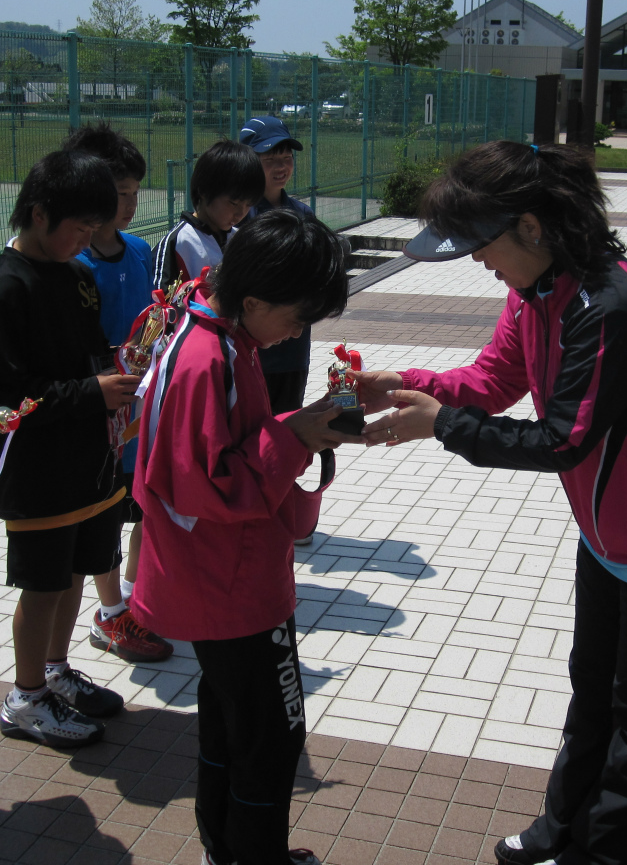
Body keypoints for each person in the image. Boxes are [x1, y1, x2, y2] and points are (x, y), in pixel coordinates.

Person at [356, 141, 627, 865]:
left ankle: (603, 853)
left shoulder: (610, 306)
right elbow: (494, 380)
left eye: (481, 243)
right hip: (609, 530)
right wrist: (405, 384)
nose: (477, 260)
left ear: (532, 226)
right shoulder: (538, 289)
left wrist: (440, 426)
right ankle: (562, 828)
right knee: (591, 687)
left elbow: (562, 440)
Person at [130, 208, 354, 865]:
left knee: (231, 719)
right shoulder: (210, 358)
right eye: (297, 317)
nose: (299, 332)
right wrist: (295, 436)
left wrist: (297, 426)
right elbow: (210, 486)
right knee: (272, 732)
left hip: (218, 575)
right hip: (233, 582)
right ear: (253, 299)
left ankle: (225, 848)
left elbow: (212, 457)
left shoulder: (215, 331)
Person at [0, 150, 141, 748]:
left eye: (95, 228)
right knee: (42, 585)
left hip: (87, 457)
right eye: (80, 228)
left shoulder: (77, 276)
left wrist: (124, 371)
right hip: (36, 469)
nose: (87, 240)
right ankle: (25, 699)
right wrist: (93, 392)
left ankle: (54, 671)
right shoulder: (6, 288)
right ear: (39, 214)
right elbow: (2, 398)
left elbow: (92, 356)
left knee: (74, 574)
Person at [64, 122, 173, 665]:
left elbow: (155, 322)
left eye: (134, 193)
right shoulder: (72, 263)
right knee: (104, 511)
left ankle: (135, 594)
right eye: (118, 193)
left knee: (147, 501)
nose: (128, 205)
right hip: (100, 411)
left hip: (144, 406)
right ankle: (110, 611)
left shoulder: (139, 249)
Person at [239, 116, 315, 417]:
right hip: (251, 351)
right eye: (270, 159)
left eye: (287, 158)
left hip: (292, 350)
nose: (281, 167)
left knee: (289, 428)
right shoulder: (238, 217)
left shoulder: (303, 214)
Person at [153, 139, 264, 292]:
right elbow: (161, 301)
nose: (241, 213)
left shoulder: (241, 240)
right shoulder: (180, 242)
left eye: (249, 204)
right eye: (233, 203)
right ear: (204, 191)